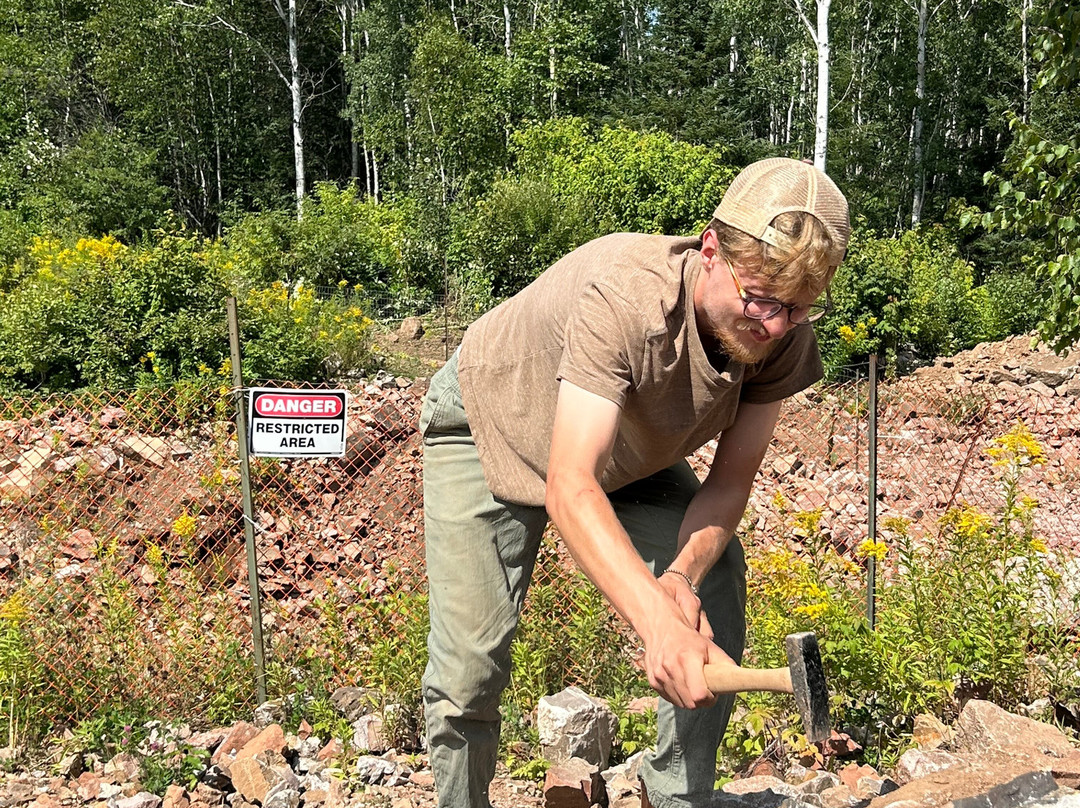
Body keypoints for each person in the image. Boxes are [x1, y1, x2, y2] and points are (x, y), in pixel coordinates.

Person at [419, 157, 850, 808]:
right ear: (711, 250)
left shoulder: (781, 338)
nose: (774, 325)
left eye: (797, 308)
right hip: (490, 421)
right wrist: (655, 620)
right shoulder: (625, 297)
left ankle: (676, 792)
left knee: (717, 571)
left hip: (615, 450)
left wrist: (676, 579)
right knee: (469, 669)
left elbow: (730, 484)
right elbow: (570, 485)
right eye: (760, 299)